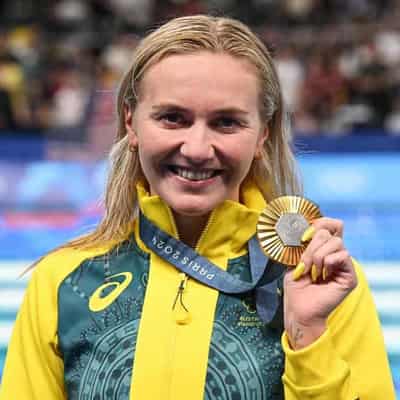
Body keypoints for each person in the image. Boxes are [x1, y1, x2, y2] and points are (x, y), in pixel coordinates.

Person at [0, 15, 395, 400]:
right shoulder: (63, 281)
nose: (197, 149)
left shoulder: (321, 280)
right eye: (172, 118)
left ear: (263, 135)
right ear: (131, 122)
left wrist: (308, 335)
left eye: (226, 123)